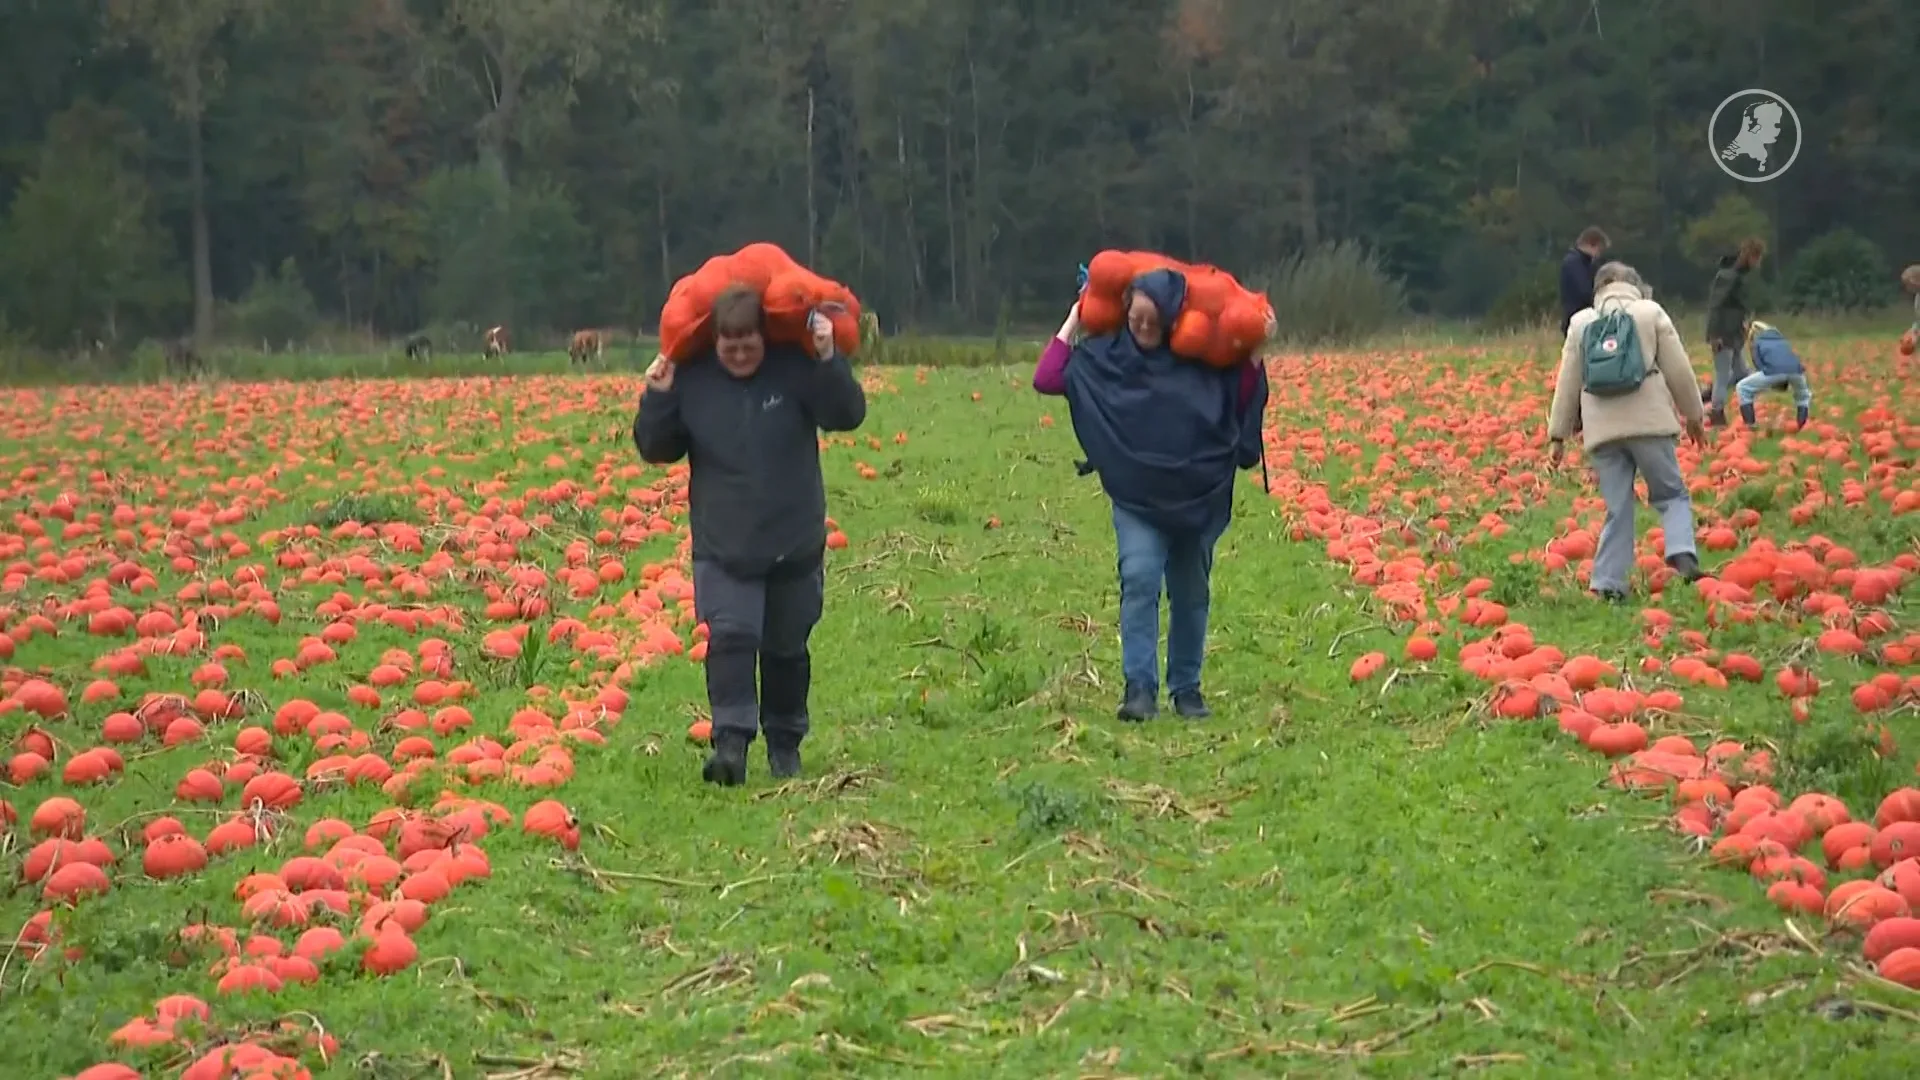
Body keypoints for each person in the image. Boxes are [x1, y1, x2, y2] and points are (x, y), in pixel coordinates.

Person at [632, 285, 867, 786]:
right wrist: (658, 395)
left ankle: (785, 744)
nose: (739, 352)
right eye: (729, 343)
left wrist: (828, 359)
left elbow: (846, 415)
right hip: (724, 544)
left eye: (749, 342)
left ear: (765, 337)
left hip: (794, 538)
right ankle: (731, 745)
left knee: (785, 649)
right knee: (732, 640)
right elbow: (656, 447)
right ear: (714, 341)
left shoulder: (795, 368)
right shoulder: (694, 382)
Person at [1033, 269, 1271, 721]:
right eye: (1135, 319)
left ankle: (1187, 689)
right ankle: (1139, 689)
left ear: (1169, 322)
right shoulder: (1106, 360)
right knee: (1139, 578)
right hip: (1137, 496)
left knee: (1191, 591)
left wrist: (1256, 348)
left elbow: (1239, 397)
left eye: (1152, 321)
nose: (1143, 328)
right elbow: (1047, 377)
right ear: (1124, 314)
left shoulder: (1200, 365)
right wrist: (1073, 321)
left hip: (1197, 497)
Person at [1548, 262, 1708, 601]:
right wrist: (1693, 414)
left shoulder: (1581, 322)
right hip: (1649, 421)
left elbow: (1568, 381)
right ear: (1634, 284)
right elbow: (1678, 369)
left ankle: (1608, 583)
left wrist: (1558, 435)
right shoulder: (1650, 313)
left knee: (1617, 508)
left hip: (1602, 429)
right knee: (1670, 493)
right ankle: (1681, 551)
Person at [1702, 238, 1764, 425]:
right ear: (1749, 256)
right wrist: (1713, 335)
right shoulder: (1727, 277)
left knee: (1741, 374)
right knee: (1723, 374)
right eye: (1757, 258)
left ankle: (1709, 394)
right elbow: (1716, 306)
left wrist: (1744, 323)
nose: (1758, 263)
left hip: (1734, 333)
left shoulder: (1740, 277)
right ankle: (1716, 412)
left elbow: (1738, 306)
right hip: (1723, 334)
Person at [1734, 321, 1811, 430]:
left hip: (1774, 371)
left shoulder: (1756, 343)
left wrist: (1771, 382)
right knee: (1803, 395)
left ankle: (1750, 425)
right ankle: (1801, 425)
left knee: (1742, 388)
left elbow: (1759, 365)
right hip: (1797, 371)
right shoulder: (1782, 341)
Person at [1559, 226, 1611, 335]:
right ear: (1592, 245)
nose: (1599, 255)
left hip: (1582, 320)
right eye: (1599, 250)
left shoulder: (1584, 263)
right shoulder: (1574, 263)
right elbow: (1585, 292)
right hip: (1576, 321)